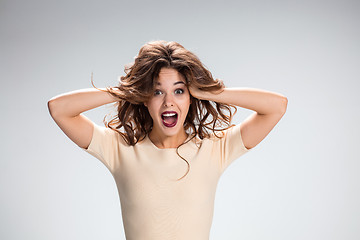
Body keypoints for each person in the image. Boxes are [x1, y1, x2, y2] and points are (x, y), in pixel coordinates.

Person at [48, 40, 288, 240]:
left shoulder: (215, 148)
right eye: (157, 91)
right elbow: (59, 109)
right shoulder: (119, 149)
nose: (169, 102)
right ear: (144, 98)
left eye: (179, 90)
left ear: (191, 97)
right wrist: (127, 90)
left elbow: (277, 107)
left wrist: (209, 90)